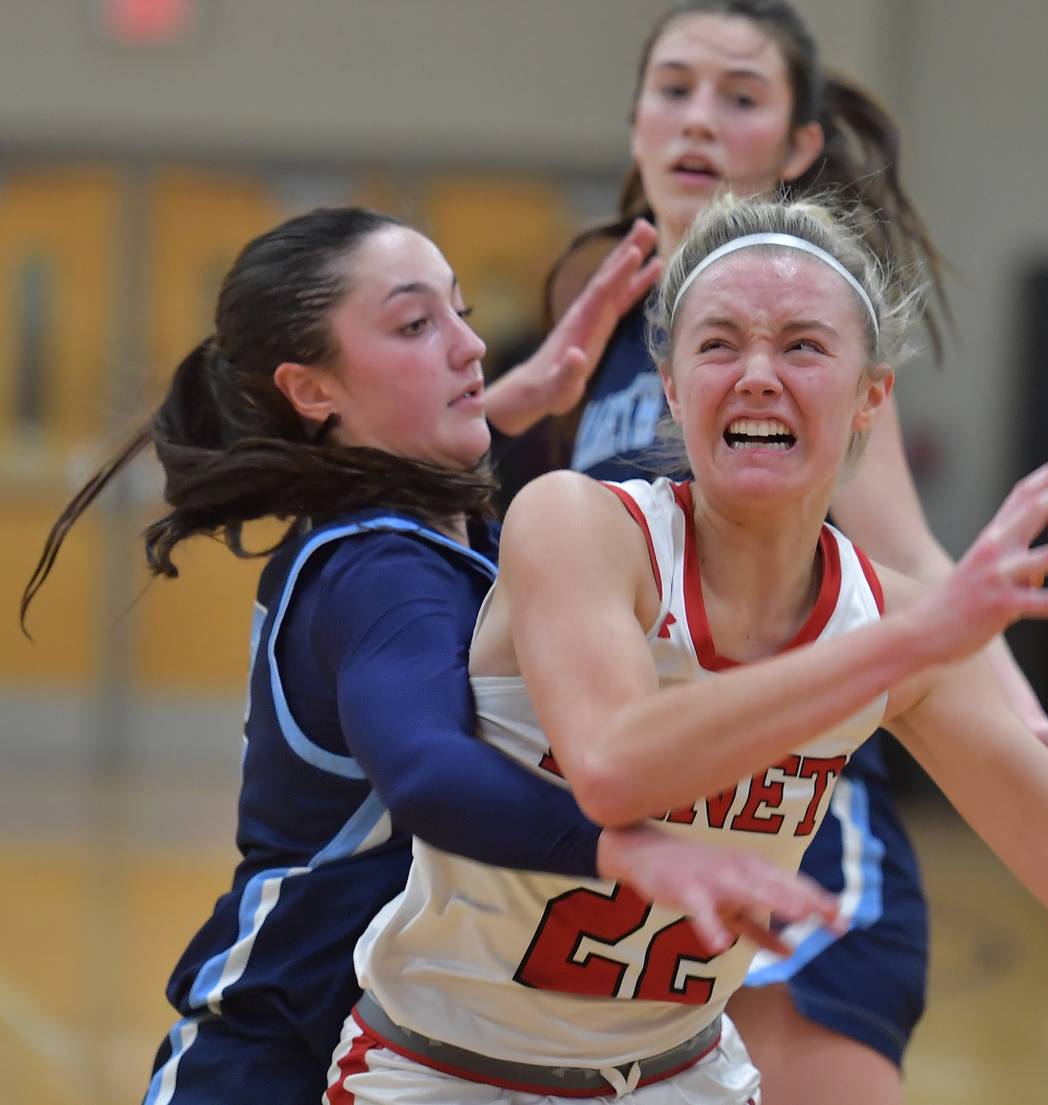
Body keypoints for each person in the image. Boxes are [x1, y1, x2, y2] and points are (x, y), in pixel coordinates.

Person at [327, 193, 1048, 1105]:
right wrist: (912, 640)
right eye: (719, 344)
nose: (759, 373)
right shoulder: (581, 526)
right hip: (443, 1072)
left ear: (869, 398)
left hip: (678, 1077)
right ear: (674, 390)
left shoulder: (896, 628)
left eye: (805, 346)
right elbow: (615, 764)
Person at [482, 3, 1048, 1099]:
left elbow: (914, 569)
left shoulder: (817, 351)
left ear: (799, 147)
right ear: (636, 125)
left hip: (788, 802)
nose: (699, 118)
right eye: (675, 88)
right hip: (612, 814)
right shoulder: (592, 331)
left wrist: (1025, 736)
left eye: (740, 97)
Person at [18, 206, 841, 1105]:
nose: (468, 348)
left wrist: (520, 402)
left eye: (462, 312)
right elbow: (428, 770)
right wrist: (628, 850)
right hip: (273, 1060)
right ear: (312, 389)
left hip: (396, 1050)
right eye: (416, 325)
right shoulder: (382, 569)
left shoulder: (447, 535)